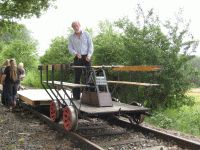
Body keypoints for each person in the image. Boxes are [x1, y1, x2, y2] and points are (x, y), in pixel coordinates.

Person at [68, 21, 94, 100]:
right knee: (77, 77)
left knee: (88, 77)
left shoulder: (86, 34)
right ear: (72, 28)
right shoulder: (71, 37)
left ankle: (88, 97)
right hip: (77, 58)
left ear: (79, 25)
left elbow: (91, 45)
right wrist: (75, 53)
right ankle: (76, 97)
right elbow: (70, 48)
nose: (75, 27)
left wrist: (89, 55)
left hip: (87, 57)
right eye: (74, 26)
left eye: (76, 25)